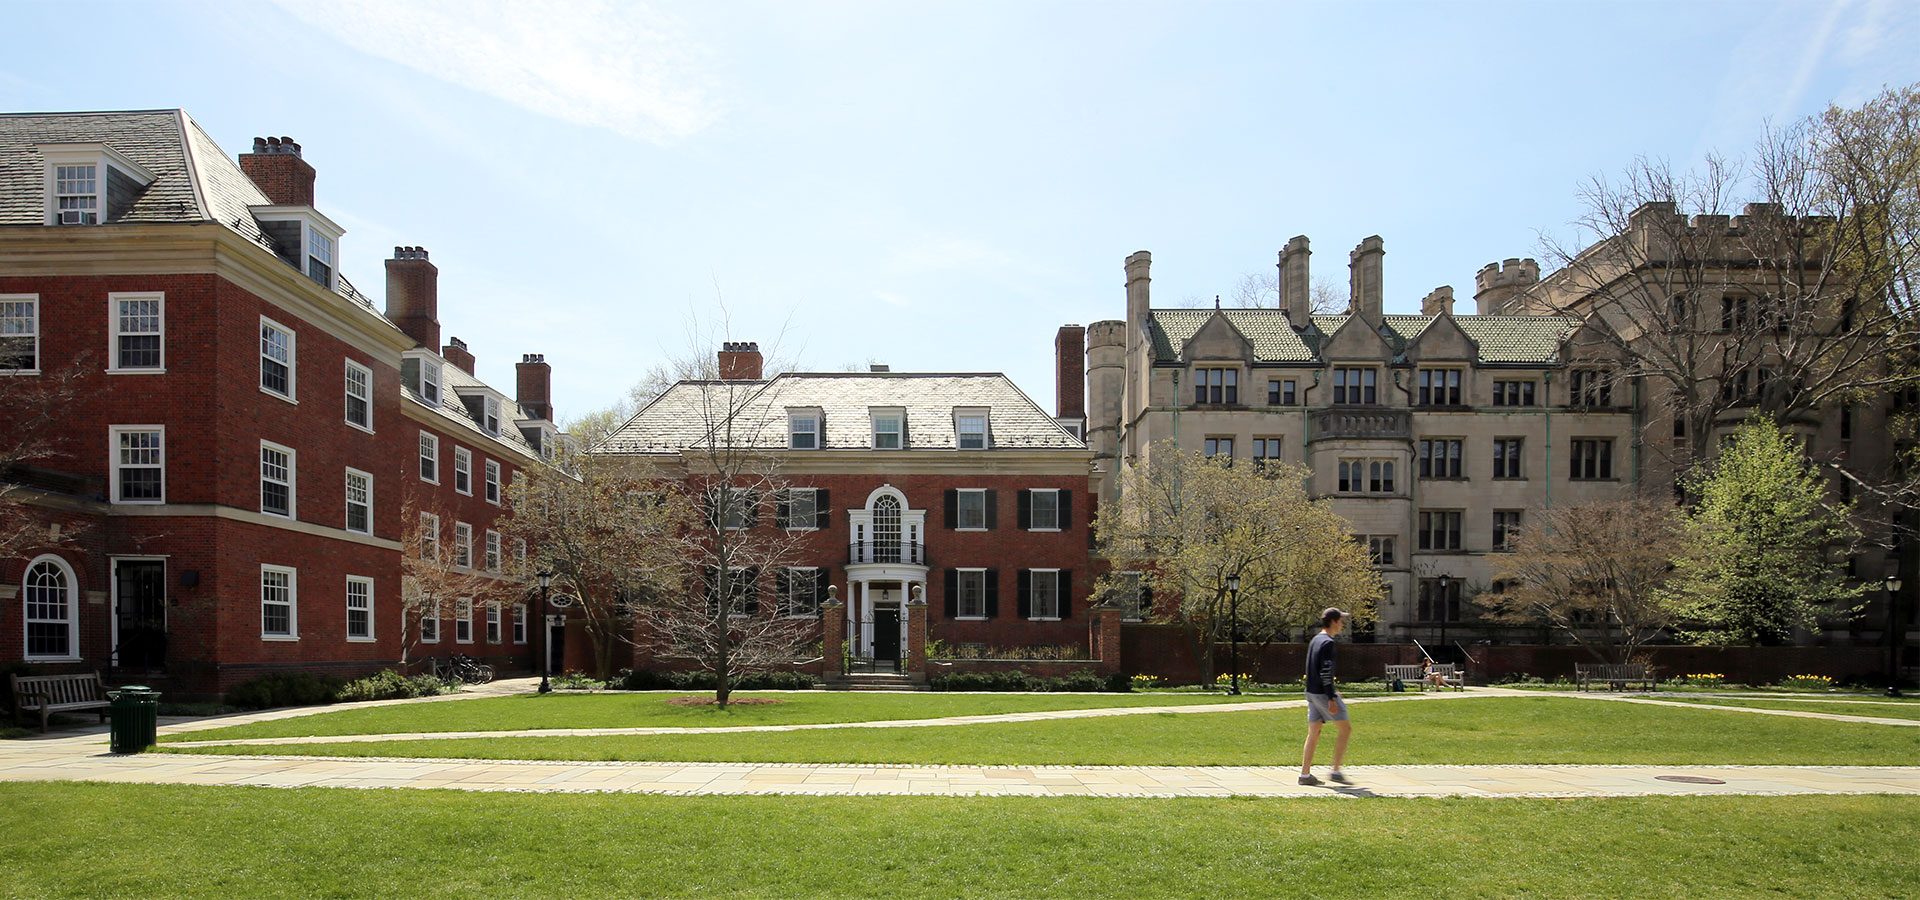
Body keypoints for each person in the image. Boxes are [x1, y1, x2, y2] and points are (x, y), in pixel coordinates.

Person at [1299, 607, 1353, 786]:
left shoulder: (1316, 640)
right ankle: (1336, 771)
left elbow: (1312, 669)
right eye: (1341, 621)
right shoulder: (1328, 643)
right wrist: (1331, 697)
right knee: (1345, 729)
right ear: (1334, 622)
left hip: (1311, 692)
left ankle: (1305, 775)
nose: (1342, 625)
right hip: (1323, 694)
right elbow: (1326, 672)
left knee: (1313, 732)